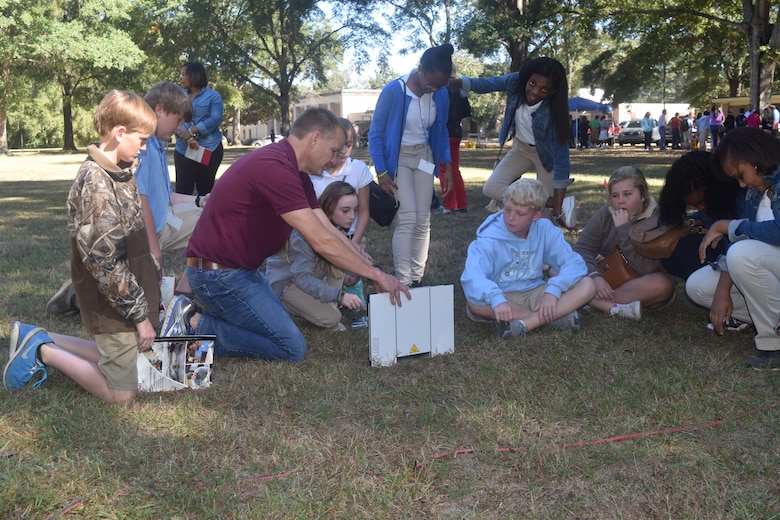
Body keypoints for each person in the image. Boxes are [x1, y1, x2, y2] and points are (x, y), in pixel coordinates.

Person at [169, 108, 409, 362]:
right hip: (219, 277)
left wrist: (371, 267)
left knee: (272, 329)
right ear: (315, 139)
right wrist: (375, 275)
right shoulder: (275, 168)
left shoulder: (294, 170)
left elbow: (328, 229)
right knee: (291, 347)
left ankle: (194, 315)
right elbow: (321, 241)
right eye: (333, 151)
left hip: (241, 272)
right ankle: (193, 322)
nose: (335, 160)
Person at [4, 91, 159, 402]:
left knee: (127, 357)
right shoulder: (96, 184)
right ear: (120, 133)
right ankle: (43, 351)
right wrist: (141, 317)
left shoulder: (119, 172)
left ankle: (35, 336)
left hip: (125, 296)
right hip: (109, 300)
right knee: (121, 395)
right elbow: (106, 264)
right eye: (142, 139)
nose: (144, 146)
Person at [45, 81, 201, 315]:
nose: (181, 127)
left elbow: (164, 196)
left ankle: (182, 295)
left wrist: (200, 201)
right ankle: (80, 296)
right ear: (159, 110)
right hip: (146, 232)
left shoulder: (156, 145)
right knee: (133, 295)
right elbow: (141, 200)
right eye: (178, 119)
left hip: (163, 221)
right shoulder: (141, 149)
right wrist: (153, 250)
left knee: (209, 217)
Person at [686, 128, 780, 369]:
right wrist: (722, 290)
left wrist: (728, 226)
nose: (741, 184)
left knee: (741, 254)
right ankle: (769, 320)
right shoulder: (755, 192)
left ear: (756, 156)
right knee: (698, 287)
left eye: (741, 175)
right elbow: (744, 243)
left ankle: (774, 344)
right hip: (768, 266)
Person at [460, 178, 595, 339]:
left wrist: (552, 292)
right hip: (503, 295)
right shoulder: (489, 238)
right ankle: (551, 318)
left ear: (536, 215)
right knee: (475, 305)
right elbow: (472, 276)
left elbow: (573, 263)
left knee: (588, 285)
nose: (511, 218)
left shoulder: (545, 230)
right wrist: (496, 299)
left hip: (535, 293)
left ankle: (525, 324)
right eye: (507, 209)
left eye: (520, 213)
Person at [451, 57, 574, 229]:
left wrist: (558, 209)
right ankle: (541, 201)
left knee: (543, 220)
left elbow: (562, 160)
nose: (535, 92)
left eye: (544, 89)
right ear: (527, 78)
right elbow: (486, 84)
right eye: (532, 83)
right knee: (491, 188)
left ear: (552, 92)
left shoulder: (555, 114)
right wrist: (452, 82)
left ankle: (544, 221)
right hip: (521, 148)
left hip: (546, 157)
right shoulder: (515, 82)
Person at [368, 44, 454, 288]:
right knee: (408, 217)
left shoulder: (440, 93)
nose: (433, 89)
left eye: (439, 85)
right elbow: (376, 133)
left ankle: (417, 278)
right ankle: (403, 279)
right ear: (420, 69)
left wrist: (446, 166)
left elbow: (442, 130)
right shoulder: (395, 91)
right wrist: (382, 171)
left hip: (424, 157)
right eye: (430, 83)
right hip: (399, 159)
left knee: (424, 217)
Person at [573, 166, 676, 320]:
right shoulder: (605, 215)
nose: (620, 201)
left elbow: (647, 269)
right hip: (610, 279)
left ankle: (587, 299)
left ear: (643, 195)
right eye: (615, 195)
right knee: (559, 266)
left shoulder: (659, 218)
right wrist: (595, 276)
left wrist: (623, 229)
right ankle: (607, 304)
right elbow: (582, 250)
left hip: (643, 285)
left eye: (627, 194)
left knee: (663, 285)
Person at [266, 182, 367, 331]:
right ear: (329, 207)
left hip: (307, 277)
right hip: (287, 282)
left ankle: (317, 304)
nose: (352, 216)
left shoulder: (336, 230)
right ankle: (283, 304)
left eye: (355, 210)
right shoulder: (305, 233)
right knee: (333, 318)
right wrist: (340, 296)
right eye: (345, 210)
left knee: (339, 264)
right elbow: (302, 278)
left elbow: (344, 272)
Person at [657, 150, 742, 280]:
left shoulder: (738, 196)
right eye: (694, 205)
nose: (701, 208)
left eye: (703, 202)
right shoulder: (705, 210)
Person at [309, 118, 371, 245]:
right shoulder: (311, 170)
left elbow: (364, 210)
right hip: (316, 239)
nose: (344, 151)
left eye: (348, 145)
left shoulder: (358, 168)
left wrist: (355, 243)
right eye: (340, 145)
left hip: (350, 238)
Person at [173, 61, 224, 196]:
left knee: (206, 191)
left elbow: (215, 119)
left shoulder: (213, 96)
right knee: (183, 192)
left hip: (209, 148)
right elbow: (174, 118)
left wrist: (191, 131)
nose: (181, 78)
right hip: (183, 150)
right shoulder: (178, 96)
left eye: (184, 74)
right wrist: (186, 137)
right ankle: (183, 217)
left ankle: (205, 217)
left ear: (194, 76)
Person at [439, 77, 471, 214]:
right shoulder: (459, 90)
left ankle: (450, 204)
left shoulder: (439, 89)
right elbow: (466, 112)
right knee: (454, 169)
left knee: (443, 169)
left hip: (443, 132)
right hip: (456, 132)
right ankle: (462, 203)